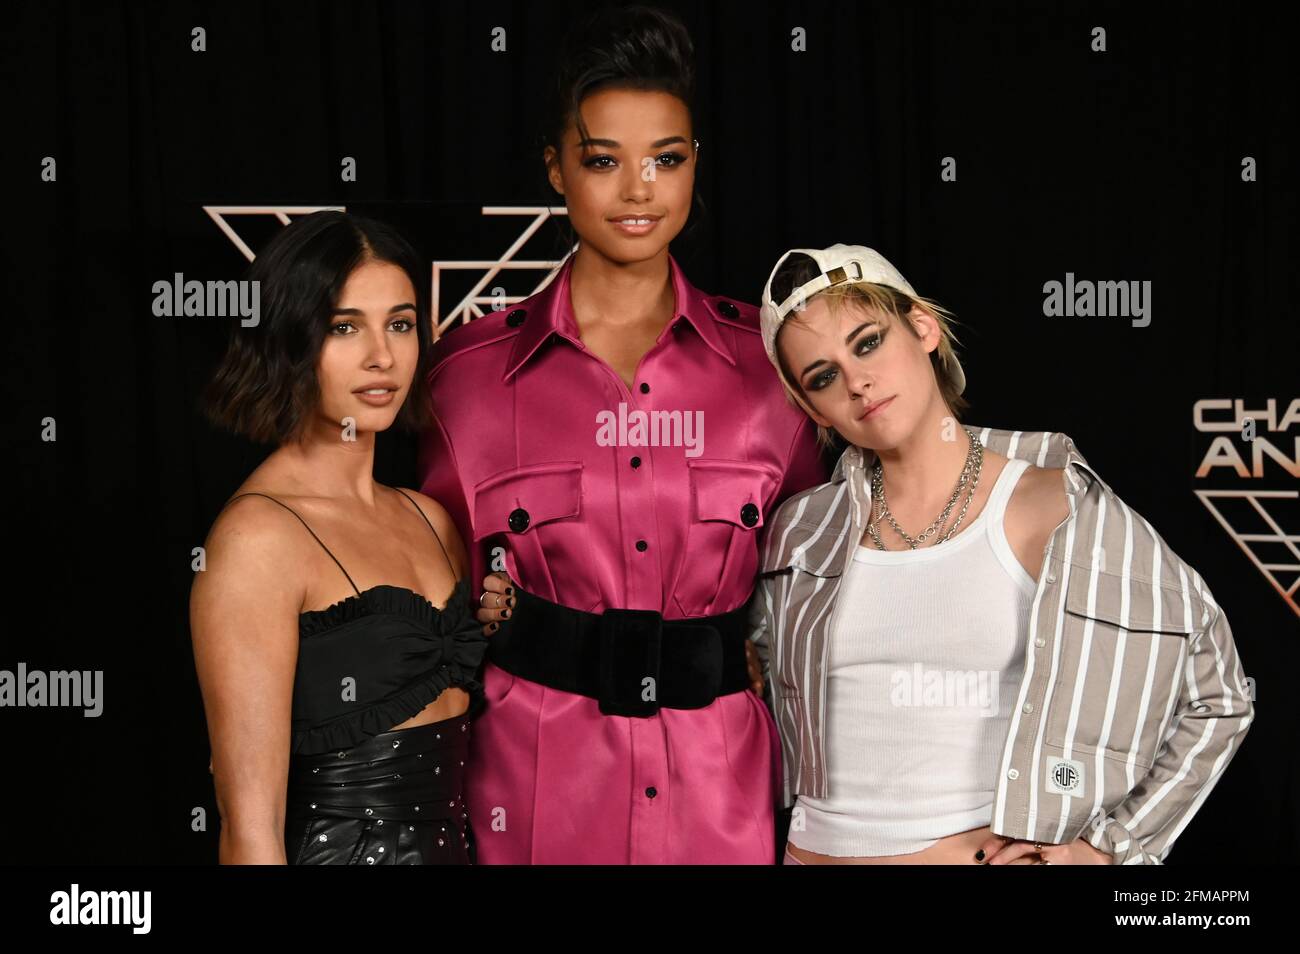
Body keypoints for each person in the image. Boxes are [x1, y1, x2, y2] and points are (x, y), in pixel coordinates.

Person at [419, 6, 827, 863]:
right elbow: (430, 601)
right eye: (603, 160)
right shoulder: (466, 379)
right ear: (557, 170)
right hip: (535, 808)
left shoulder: (773, 368)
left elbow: (817, 591)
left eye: (665, 160)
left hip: (724, 807)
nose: (638, 190)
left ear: (694, 168)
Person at [750, 243, 1254, 865]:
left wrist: (1105, 850)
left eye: (868, 342)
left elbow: (1218, 694)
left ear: (923, 329)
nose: (856, 382)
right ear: (809, 406)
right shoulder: (800, 533)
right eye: (822, 377)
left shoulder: (1055, 507)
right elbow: (758, 691)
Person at [191, 211, 489, 864]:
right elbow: (251, 829)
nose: (381, 356)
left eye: (401, 324)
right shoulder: (257, 539)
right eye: (344, 327)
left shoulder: (429, 518)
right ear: (291, 339)